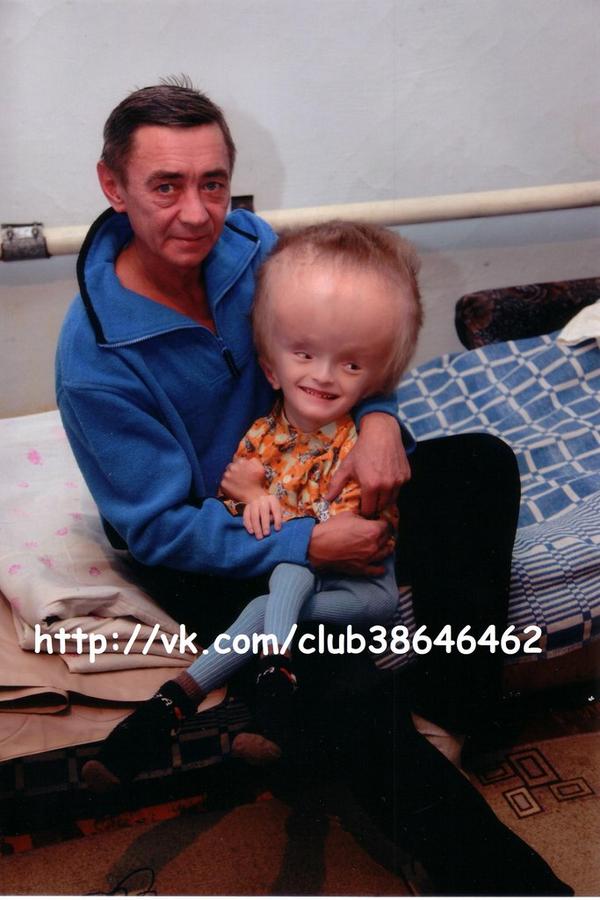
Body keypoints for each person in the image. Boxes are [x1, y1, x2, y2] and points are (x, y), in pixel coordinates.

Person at [56, 78, 572, 895]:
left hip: (316, 472)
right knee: (336, 680)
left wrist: (379, 420)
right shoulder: (94, 360)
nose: (197, 213)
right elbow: (157, 528)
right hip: (215, 536)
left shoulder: (254, 248)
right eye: (166, 186)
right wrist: (307, 543)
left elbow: (349, 342)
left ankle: (446, 715)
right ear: (113, 187)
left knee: (478, 464)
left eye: (213, 183)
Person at [81, 219, 422, 783]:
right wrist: (258, 498)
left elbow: (353, 533)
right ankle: (195, 700)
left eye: (350, 367)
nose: (324, 378)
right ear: (270, 368)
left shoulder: (352, 444)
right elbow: (235, 491)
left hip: (362, 586)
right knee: (281, 586)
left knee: (285, 580)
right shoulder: (265, 430)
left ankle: (200, 697)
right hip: (288, 568)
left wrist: (381, 418)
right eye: (305, 356)